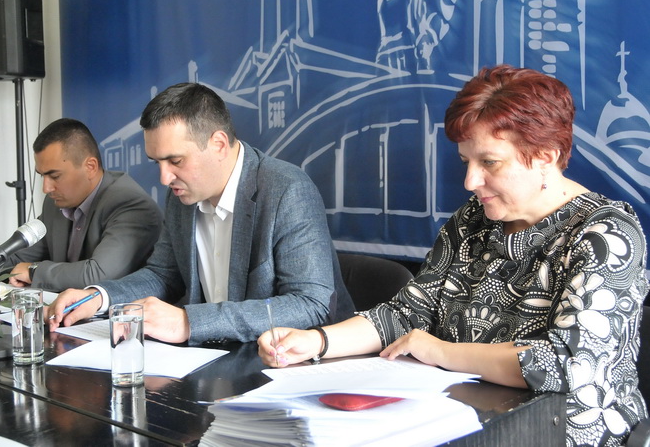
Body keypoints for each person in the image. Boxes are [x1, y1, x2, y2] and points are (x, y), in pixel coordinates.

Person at [258, 65, 648, 446]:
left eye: (489, 162)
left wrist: (441, 352)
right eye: (466, 162)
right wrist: (317, 342)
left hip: (559, 430)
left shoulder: (605, 234)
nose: (470, 181)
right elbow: (407, 314)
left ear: (545, 156)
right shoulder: (475, 219)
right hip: (460, 418)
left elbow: (567, 363)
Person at [47, 83, 354, 345]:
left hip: (295, 364)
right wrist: (99, 297)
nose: (164, 178)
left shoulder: (287, 190)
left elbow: (310, 304)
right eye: (157, 163)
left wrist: (188, 322)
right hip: (215, 360)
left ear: (218, 144)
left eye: (176, 161)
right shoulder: (180, 194)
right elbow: (163, 274)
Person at [0, 118, 163, 292]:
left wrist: (34, 271)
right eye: (42, 176)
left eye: (55, 176)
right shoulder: (56, 203)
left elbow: (99, 274)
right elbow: (16, 256)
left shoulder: (129, 204)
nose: (46, 188)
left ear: (90, 167)